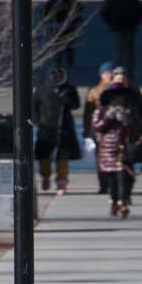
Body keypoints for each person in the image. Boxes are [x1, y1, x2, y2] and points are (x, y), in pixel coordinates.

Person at [92, 72, 142, 217]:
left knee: (126, 176)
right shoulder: (102, 109)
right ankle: (114, 201)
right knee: (112, 179)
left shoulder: (130, 108)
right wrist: (109, 118)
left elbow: (138, 124)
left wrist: (127, 120)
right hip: (109, 148)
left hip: (126, 147)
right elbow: (97, 126)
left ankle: (124, 200)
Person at [33, 66, 81, 196]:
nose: (57, 78)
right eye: (54, 76)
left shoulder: (68, 89)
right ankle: (45, 176)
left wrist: (65, 97)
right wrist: (37, 121)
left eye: (60, 76)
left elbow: (76, 105)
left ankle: (62, 182)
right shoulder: (42, 89)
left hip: (64, 127)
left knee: (62, 157)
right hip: (46, 127)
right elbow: (34, 107)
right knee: (44, 156)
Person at [83, 61, 117, 194]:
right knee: (101, 159)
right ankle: (103, 185)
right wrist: (87, 130)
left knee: (116, 157)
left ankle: (114, 183)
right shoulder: (95, 91)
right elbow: (88, 113)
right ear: (101, 75)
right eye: (107, 73)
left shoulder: (118, 88)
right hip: (100, 130)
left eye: (111, 73)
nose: (109, 75)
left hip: (115, 130)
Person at [100, 0, 142, 76]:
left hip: (125, 28)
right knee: (121, 53)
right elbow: (104, 12)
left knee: (124, 53)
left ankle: (127, 72)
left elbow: (140, 12)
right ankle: (123, 72)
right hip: (121, 28)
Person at [42, 0, 83, 68]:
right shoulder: (69, 0)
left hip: (58, 27)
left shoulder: (53, 0)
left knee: (59, 45)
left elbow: (46, 13)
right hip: (66, 26)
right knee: (67, 45)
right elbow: (80, 7)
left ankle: (59, 62)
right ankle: (67, 61)